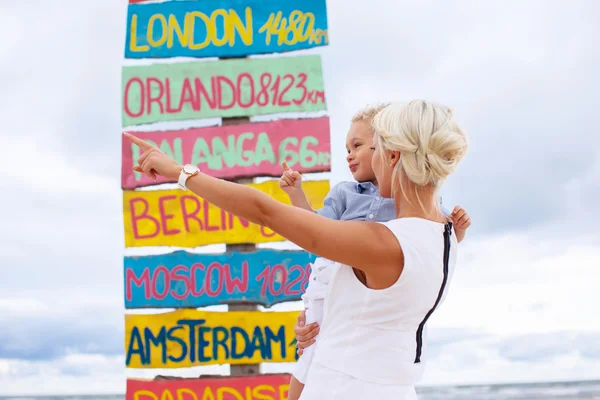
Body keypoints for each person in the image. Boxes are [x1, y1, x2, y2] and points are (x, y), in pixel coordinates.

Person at [125, 99, 469, 399]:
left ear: (393, 156)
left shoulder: (382, 242)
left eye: (375, 149)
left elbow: (265, 211)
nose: (368, 159)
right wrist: (323, 327)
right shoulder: (446, 237)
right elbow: (379, 318)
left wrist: (177, 171)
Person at [278, 104, 471, 400]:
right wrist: (296, 196)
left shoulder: (414, 200)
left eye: (359, 146)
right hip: (330, 283)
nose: (349, 154)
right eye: (347, 148)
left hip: (372, 302)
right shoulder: (345, 193)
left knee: (318, 357)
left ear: (390, 150)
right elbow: (314, 231)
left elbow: (435, 245)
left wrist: (457, 230)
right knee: (307, 357)